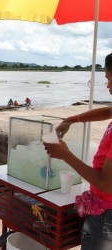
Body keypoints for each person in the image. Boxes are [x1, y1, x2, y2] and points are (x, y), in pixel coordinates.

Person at [43, 52, 112, 249]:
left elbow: (106, 184)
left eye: (108, 78)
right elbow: (108, 111)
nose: (107, 87)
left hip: (105, 216)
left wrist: (66, 155)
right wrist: (72, 119)